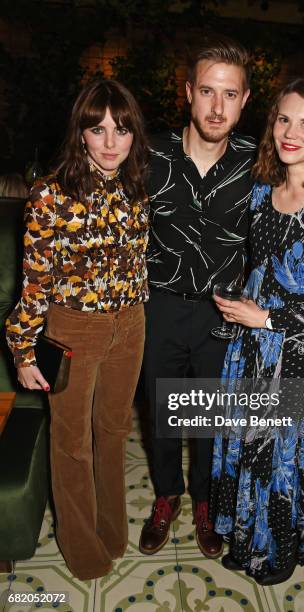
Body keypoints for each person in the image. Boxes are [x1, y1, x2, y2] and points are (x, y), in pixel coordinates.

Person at [211, 76, 304, 584]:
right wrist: (232, 301)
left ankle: (275, 553)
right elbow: (256, 265)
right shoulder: (262, 191)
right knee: (247, 442)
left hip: (295, 352)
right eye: (283, 119)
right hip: (248, 346)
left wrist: (270, 318)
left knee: (282, 455)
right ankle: (243, 540)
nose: (290, 132)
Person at [6, 79, 149, 581]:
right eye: (98, 129)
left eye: (122, 129)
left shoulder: (136, 186)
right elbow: (35, 279)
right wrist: (24, 352)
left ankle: (112, 531)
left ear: (134, 135)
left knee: (112, 434)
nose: (111, 142)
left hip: (131, 326)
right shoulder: (50, 192)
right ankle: (81, 546)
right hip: (74, 330)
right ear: (81, 133)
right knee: (71, 443)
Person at [140, 38, 256, 558]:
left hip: (222, 312)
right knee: (163, 411)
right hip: (159, 304)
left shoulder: (260, 162)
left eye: (229, 95)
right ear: (188, 92)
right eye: (207, 91)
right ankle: (167, 496)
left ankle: (206, 503)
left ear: (245, 100)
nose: (216, 107)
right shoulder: (148, 154)